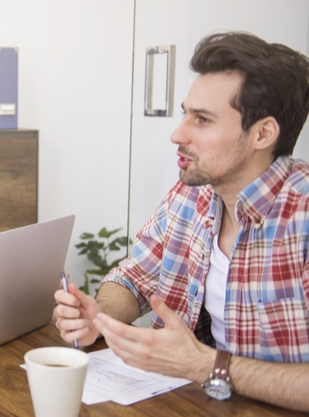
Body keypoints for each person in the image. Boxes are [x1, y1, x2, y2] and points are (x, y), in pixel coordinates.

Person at [53, 31, 309, 412]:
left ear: (263, 133)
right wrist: (100, 317)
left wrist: (204, 365)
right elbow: (132, 278)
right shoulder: (192, 194)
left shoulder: (301, 216)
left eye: (202, 120)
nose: (178, 134)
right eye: (185, 113)